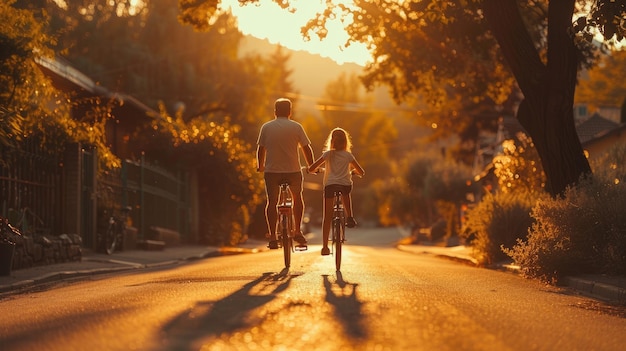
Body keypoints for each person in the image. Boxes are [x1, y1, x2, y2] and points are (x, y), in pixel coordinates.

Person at [256, 98, 314, 249]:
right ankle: (297, 231)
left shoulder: (266, 127)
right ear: (290, 111)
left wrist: (260, 165)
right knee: (297, 198)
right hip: (293, 170)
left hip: (272, 171)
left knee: (272, 202)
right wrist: (311, 165)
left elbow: (261, 149)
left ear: (275, 111)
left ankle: (273, 237)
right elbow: (306, 148)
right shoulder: (296, 127)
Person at [308, 127, 365, 256]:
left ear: (331, 141)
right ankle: (349, 217)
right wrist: (353, 173)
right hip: (344, 185)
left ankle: (324, 247)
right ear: (346, 142)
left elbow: (311, 168)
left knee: (327, 217)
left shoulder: (328, 154)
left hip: (330, 185)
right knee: (346, 190)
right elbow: (361, 172)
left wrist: (317, 170)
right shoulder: (348, 156)